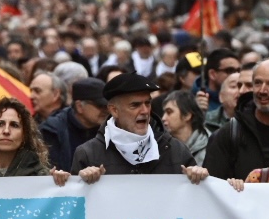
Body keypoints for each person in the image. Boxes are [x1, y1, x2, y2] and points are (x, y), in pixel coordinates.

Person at [72, 73, 209, 182]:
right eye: (135, 105)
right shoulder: (88, 154)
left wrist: (199, 177)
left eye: (147, 103)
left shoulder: (175, 150)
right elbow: (76, 208)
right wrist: (82, 181)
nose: (144, 111)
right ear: (114, 110)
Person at [38, 77, 105, 172]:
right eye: (100, 106)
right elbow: (48, 170)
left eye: (107, 105)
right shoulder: (52, 131)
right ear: (79, 106)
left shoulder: (110, 128)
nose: (105, 110)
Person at [159, 89, 210, 166]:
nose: (163, 118)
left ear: (187, 115)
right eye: (164, 113)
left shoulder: (210, 147)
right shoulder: (162, 146)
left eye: (169, 112)